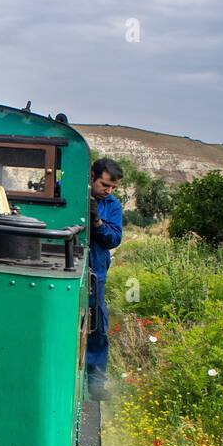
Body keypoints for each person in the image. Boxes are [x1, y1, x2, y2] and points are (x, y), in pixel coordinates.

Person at [86, 157, 123, 398]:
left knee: (97, 326)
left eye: (112, 187)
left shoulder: (112, 205)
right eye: (104, 184)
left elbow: (115, 238)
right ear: (91, 176)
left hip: (96, 272)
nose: (107, 191)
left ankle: (96, 383)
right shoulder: (72, 193)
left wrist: (97, 222)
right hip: (69, 265)